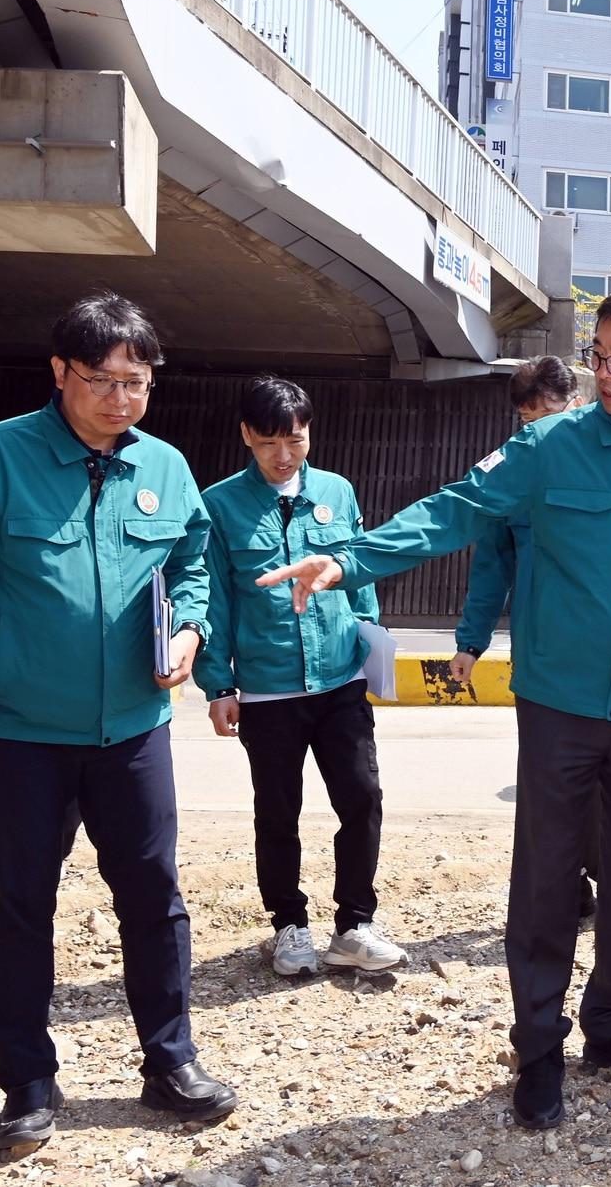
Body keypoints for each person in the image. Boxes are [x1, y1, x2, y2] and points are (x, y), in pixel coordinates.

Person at [257, 286, 611, 1132]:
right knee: (548, 878)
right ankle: (539, 1043)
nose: (604, 371)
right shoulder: (549, 445)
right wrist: (347, 560)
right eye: (598, 353)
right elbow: (455, 510)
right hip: (558, 704)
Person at [0, 292, 237, 1153]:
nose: (122, 398)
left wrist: (193, 629)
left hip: (131, 730)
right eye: (103, 380)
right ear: (60, 373)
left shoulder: (164, 467)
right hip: (18, 737)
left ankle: (170, 1063)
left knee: (154, 901)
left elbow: (195, 561)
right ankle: (26, 1082)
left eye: (139, 381)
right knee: (21, 908)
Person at [194, 377, 405, 978]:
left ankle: (356, 925)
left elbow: (357, 571)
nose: (284, 455)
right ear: (246, 437)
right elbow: (214, 601)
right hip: (268, 688)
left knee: (362, 798)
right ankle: (289, 924)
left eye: (295, 439)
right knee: (278, 810)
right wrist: (219, 686)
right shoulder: (221, 505)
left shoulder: (337, 491)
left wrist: (369, 636)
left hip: (340, 682)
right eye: (269, 443)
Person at [448, 356, 600, 924]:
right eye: (524, 416)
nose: (533, 426)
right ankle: (567, 888)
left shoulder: (605, 458)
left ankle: (604, 875)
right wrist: (470, 641)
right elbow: (491, 565)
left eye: (544, 412)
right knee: (549, 786)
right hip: (543, 660)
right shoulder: (517, 469)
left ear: (572, 404)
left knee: (609, 791)